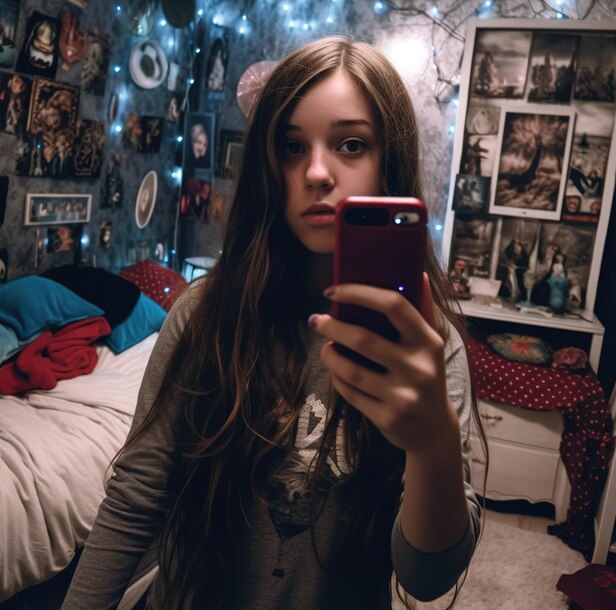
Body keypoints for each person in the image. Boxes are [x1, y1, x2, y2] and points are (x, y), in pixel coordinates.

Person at [62, 36, 482, 609]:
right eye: (290, 147)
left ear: (392, 160)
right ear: (266, 164)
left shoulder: (430, 346)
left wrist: (433, 444)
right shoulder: (206, 313)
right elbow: (137, 496)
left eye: (351, 144)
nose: (314, 172)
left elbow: (425, 580)